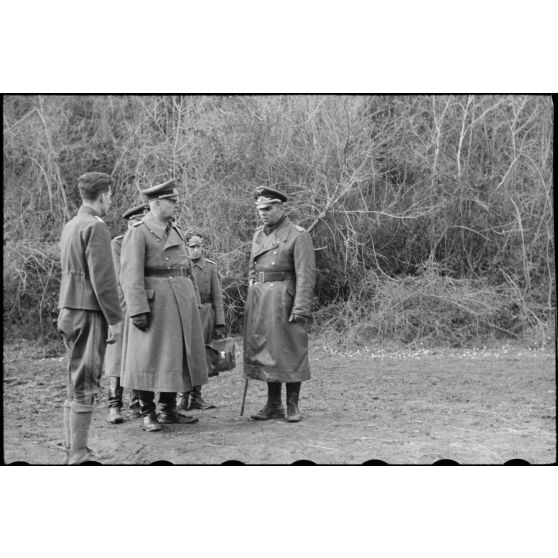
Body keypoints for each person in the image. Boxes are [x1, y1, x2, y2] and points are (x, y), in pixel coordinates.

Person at [119, 179, 208, 432]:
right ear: (156, 203)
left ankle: (168, 410)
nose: (175, 205)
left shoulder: (176, 230)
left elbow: (186, 268)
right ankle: (148, 412)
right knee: (145, 358)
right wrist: (137, 309)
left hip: (180, 301)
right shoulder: (138, 232)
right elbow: (130, 275)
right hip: (154, 303)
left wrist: (194, 300)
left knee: (175, 356)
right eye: (171, 201)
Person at [57, 171, 122, 464]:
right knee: (86, 379)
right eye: (110, 196)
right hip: (88, 312)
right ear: (103, 195)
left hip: (67, 311)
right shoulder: (96, 227)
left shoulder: (71, 225)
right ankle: (80, 452)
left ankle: (73, 448)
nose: (111, 201)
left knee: (74, 379)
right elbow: (104, 281)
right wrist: (115, 319)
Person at [243, 186, 316, 422]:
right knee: (268, 352)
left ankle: (292, 405)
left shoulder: (298, 235)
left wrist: (301, 307)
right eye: (260, 209)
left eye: (268, 208)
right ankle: (273, 404)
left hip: (285, 299)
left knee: (291, 351)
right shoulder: (258, 234)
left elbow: (306, 275)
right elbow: (253, 269)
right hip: (261, 300)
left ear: (280, 207)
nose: (263, 213)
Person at [104, 203, 147, 424]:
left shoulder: (147, 242)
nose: (136, 227)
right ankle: (114, 405)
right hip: (121, 308)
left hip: (140, 305)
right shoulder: (118, 244)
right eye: (133, 223)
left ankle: (137, 403)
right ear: (128, 224)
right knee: (117, 358)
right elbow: (121, 277)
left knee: (139, 355)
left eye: (140, 223)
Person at [177, 231, 226, 412]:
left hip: (206, 315)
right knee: (185, 355)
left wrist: (219, 322)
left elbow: (217, 297)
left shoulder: (210, 268)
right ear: (186, 247)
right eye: (192, 247)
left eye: (199, 246)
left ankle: (197, 396)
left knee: (203, 357)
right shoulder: (181, 266)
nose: (196, 250)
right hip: (187, 314)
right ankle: (183, 395)